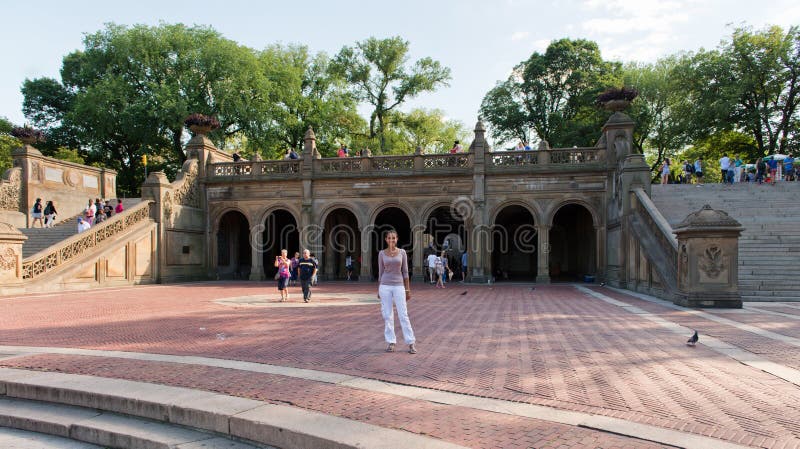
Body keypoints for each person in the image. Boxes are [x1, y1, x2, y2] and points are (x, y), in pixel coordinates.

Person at [377, 230, 416, 354]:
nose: (391, 240)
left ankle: (411, 343)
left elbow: (405, 272)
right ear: (386, 240)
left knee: (403, 314)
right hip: (385, 286)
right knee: (387, 315)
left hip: (399, 286)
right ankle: (391, 342)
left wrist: (407, 289)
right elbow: (380, 272)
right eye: (389, 238)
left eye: (394, 238)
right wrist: (379, 288)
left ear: (397, 239)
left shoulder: (402, 252)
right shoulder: (382, 253)